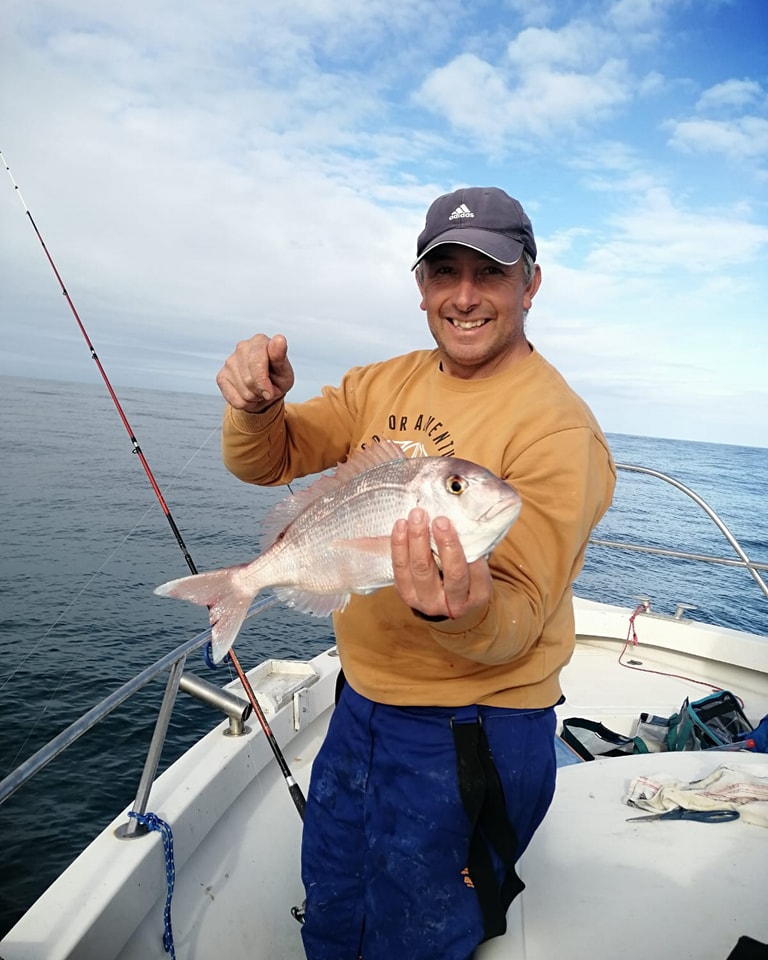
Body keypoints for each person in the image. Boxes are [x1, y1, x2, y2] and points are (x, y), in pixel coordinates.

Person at [216, 186, 616, 960]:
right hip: (360, 706)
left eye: (490, 273)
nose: (465, 296)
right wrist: (257, 406)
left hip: (475, 732)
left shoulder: (560, 430)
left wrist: (461, 608)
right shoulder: (380, 383)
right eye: (445, 271)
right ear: (422, 287)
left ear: (530, 284)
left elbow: (521, 615)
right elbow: (266, 460)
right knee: (334, 895)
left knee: (421, 932)